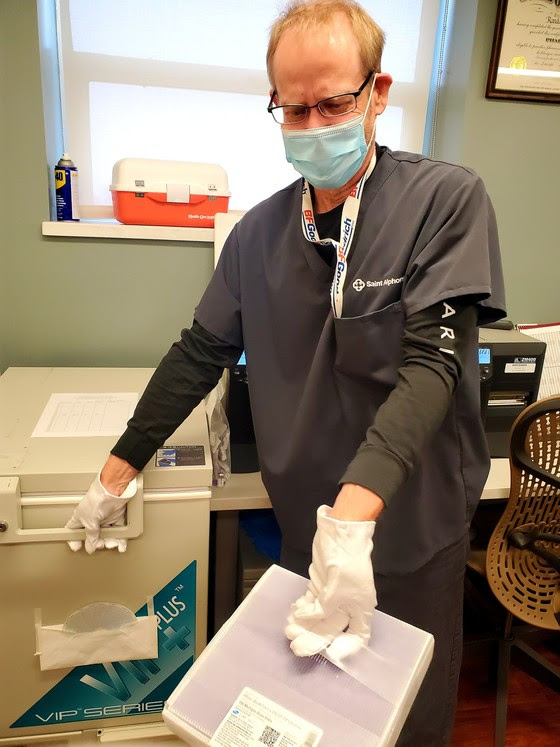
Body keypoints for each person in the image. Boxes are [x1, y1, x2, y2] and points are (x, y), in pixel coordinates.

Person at [66, 1, 506, 743]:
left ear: (378, 90)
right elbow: (198, 353)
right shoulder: (258, 233)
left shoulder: (444, 201)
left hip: (408, 530)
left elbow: (432, 366)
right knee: (323, 718)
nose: (311, 124)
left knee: (405, 715)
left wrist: (352, 525)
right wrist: (115, 471)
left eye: (332, 103)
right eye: (292, 108)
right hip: (308, 525)